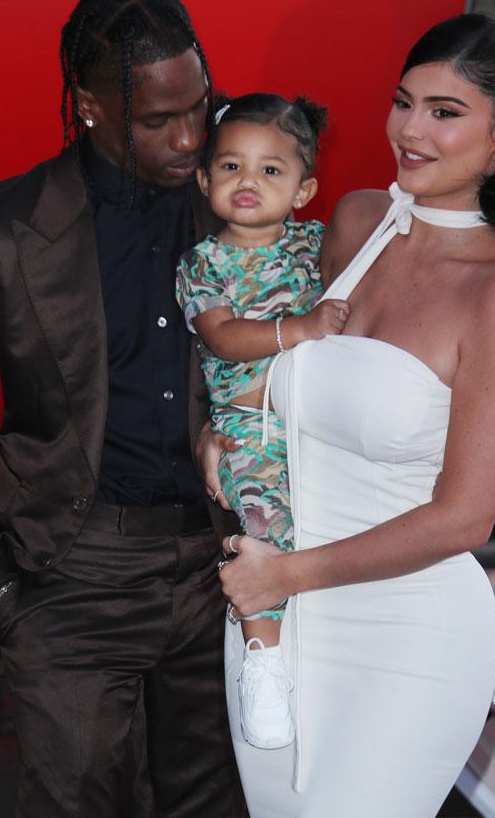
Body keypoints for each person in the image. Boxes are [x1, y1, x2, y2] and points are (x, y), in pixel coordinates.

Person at [207, 7, 495, 816]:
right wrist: (231, 432)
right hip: (272, 629)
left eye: (445, 112)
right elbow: (270, 366)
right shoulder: (354, 223)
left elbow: (464, 517)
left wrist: (286, 573)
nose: (410, 130)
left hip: (404, 634)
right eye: (404, 101)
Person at [0, 0, 248, 817]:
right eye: (159, 120)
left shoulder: (240, 201)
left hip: (229, 574)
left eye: (200, 106)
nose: (190, 136)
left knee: (223, 804)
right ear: (88, 107)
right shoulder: (2, 229)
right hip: (74, 576)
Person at [174, 93, 348, 750]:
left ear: (304, 187)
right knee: (265, 535)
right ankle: (264, 660)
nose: (248, 182)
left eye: (271, 170)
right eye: (231, 168)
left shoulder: (316, 242)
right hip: (253, 431)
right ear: (204, 180)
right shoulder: (203, 265)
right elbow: (223, 337)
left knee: (365, 527)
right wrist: (297, 328)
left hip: (326, 426)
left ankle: (415, 643)